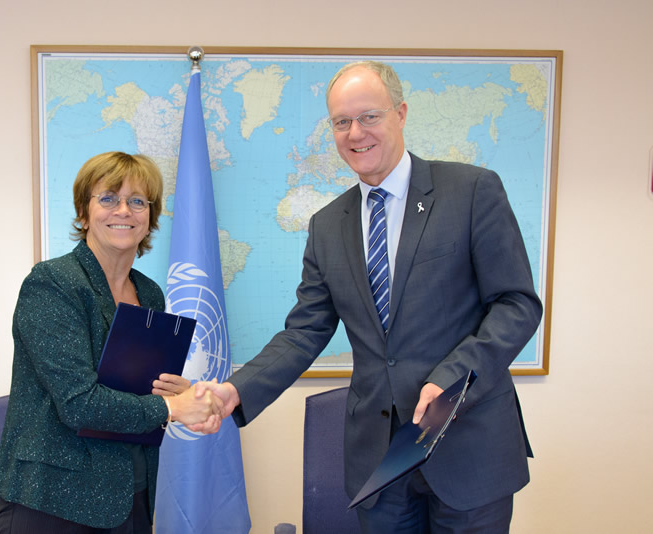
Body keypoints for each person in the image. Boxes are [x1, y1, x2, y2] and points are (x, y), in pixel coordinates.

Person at [197, 61, 543, 532]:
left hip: (469, 445)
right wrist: (236, 390)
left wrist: (452, 379)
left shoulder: (472, 190)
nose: (355, 132)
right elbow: (304, 332)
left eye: (369, 117)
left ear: (400, 114)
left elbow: (517, 304)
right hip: (379, 465)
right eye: (342, 122)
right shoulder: (326, 226)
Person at [0, 151, 221, 533]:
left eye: (137, 201)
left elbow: (139, 391)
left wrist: (178, 392)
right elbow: (79, 404)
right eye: (108, 198)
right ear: (84, 214)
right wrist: (171, 408)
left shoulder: (149, 294)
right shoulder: (52, 284)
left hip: (129, 494)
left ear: (149, 218)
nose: (124, 211)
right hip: (52, 500)